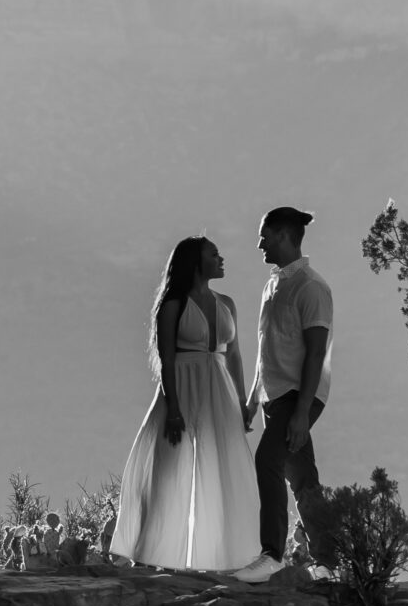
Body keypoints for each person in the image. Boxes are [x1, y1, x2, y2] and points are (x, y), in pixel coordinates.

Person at [108, 236, 262, 572]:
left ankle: (225, 557)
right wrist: (173, 407)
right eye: (213, 254)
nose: (221, 259)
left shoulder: (227, 304)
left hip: (218, 390)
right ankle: (153, 554)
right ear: (195, 262)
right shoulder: (173, 304)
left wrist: (240, 402)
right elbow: (166, 358)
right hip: (181, 387)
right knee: (168, 468)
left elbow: (233, 355)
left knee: (223, 465)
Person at [233, 206, 333, 583]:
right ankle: (329, 560)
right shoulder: (273, 284)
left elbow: (317, 351)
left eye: (264, 235)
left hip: (299, 395)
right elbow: (266, 350)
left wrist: (302, 412)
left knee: (267, 463)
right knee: (302, 477)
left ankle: (271, 556)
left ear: (283, 235)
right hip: (276, 397)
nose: (259, 242)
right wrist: (252, 399)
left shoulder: (311, 286)